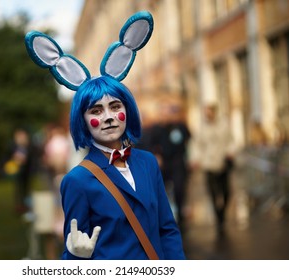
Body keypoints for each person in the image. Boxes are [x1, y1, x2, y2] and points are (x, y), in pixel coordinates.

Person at [25, 11, 185, 260]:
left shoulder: (148, 162)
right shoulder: (77, 181)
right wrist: (75, 256)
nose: (109, 117)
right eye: (96, 110)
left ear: (127, 111)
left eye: (115, 107)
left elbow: (167, 230)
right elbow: (73, 253)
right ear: (83, 121)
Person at [190, 103, 235, 235]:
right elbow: (196, 145)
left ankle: (222, 212)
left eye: (209, 111)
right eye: (205, 112)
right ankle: (218, 217)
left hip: (223, 163)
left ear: (214, 112)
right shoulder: (201, 128)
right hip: (208, 164)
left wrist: (230, 152)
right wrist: (195, 159)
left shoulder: (224, 125)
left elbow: (231, 141)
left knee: (227, 192)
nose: (207, 114)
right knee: (213, 193)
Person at [148, 103, 191, 226]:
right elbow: (152, 145)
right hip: (164, 163)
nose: (166, 115)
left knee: (179, 188)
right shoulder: (156, 129)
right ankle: (164, 215)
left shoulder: (180, 126)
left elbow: (189, 142)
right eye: (163, 112)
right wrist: (157, 155)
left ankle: (180, 212)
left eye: (169, 112)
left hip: (178, 161)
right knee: (162, 189)